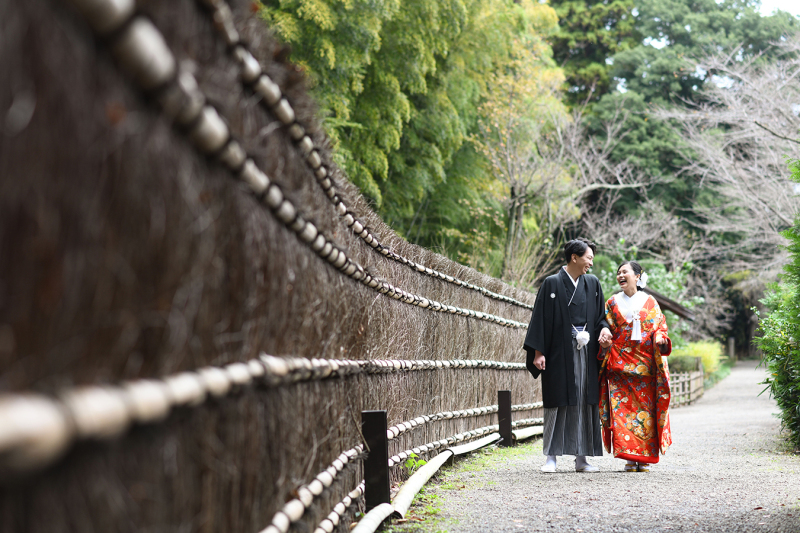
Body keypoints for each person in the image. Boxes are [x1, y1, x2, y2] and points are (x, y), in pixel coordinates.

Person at [524, 238, 612, 473]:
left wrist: (603, 329)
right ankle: (550, 457)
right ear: (574, 257)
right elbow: (540, 319)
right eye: (588, 258)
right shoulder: (551, 283)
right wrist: (538, 352)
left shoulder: (592, 283)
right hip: (558, 352)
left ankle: (581, 458)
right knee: (557, 401)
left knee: (584, 400)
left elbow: (601, 317)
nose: (590, 263)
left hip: (586, 350)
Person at [597, 261, 672, 472]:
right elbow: (605, 326)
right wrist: (604, 338)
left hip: (646, 364)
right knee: (623, 412)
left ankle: (645, 457)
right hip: (619, 365)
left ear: (637, 276)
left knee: (645, 413)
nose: (620, 275)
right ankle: (630, 458)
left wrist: (660, 339)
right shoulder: (612, 303)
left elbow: (660, 327)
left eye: (625, 272)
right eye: (618, 273)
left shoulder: (650, 302)